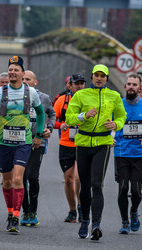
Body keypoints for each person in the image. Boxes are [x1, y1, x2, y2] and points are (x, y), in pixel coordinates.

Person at [65, 64, 126, 240]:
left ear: (106, 78)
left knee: (97, 185)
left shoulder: (114, 96)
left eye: (103, 75)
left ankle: (96, 225)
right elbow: (69, 118)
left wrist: (116, 125)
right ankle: (85, 220)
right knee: (84, 185)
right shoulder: (81, 95)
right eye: (96, 75)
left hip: (103, 143)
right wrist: (84, 116)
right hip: (83, 142)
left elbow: (121, 116)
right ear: (92, 77)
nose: (99, 78)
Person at [0, 56, 45, 233]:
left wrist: (39, 135)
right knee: (7, 182)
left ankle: (15, 217)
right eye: (10, 69)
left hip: (23, 142)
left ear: (22, 73)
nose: (12, 72)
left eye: (16, 69)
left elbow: (41, 114)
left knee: (19, 179)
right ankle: (10, 211)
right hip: (4, 141)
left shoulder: (31, 92)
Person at [20, 70, 55, 226]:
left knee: (32, 176)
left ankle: (33, 211)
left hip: (37, 142)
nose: (25, 82)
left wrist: (50, 128)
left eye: (28, 79)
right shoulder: (15, 96)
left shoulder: (44, 98)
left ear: (35, 82)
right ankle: (25, 211)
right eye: (23, 79)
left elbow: (52, 114)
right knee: (21, 178)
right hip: (19, 142)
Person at [53, 73, 85, 223]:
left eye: (81, 83)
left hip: (83, 143)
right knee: (68, 179)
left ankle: (81, 206)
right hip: (66, 144)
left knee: (79, 178)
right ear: (70, 85)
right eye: (76, 83)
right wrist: (61, 125)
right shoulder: (62, 100)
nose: (79, 86)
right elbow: (51, 121)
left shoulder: (89, 100)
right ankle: (72, 210)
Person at [114, 74, 142, 234]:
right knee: (123, 188)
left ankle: (133, 212)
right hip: (121, 152)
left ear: (139, 88)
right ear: (125, 87)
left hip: (139, 154)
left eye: (134, 84)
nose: (131, 86)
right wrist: (110, 138)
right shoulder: (118, 105)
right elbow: (108, 124)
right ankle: (124, 221)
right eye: (129, 84)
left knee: (137, 190)